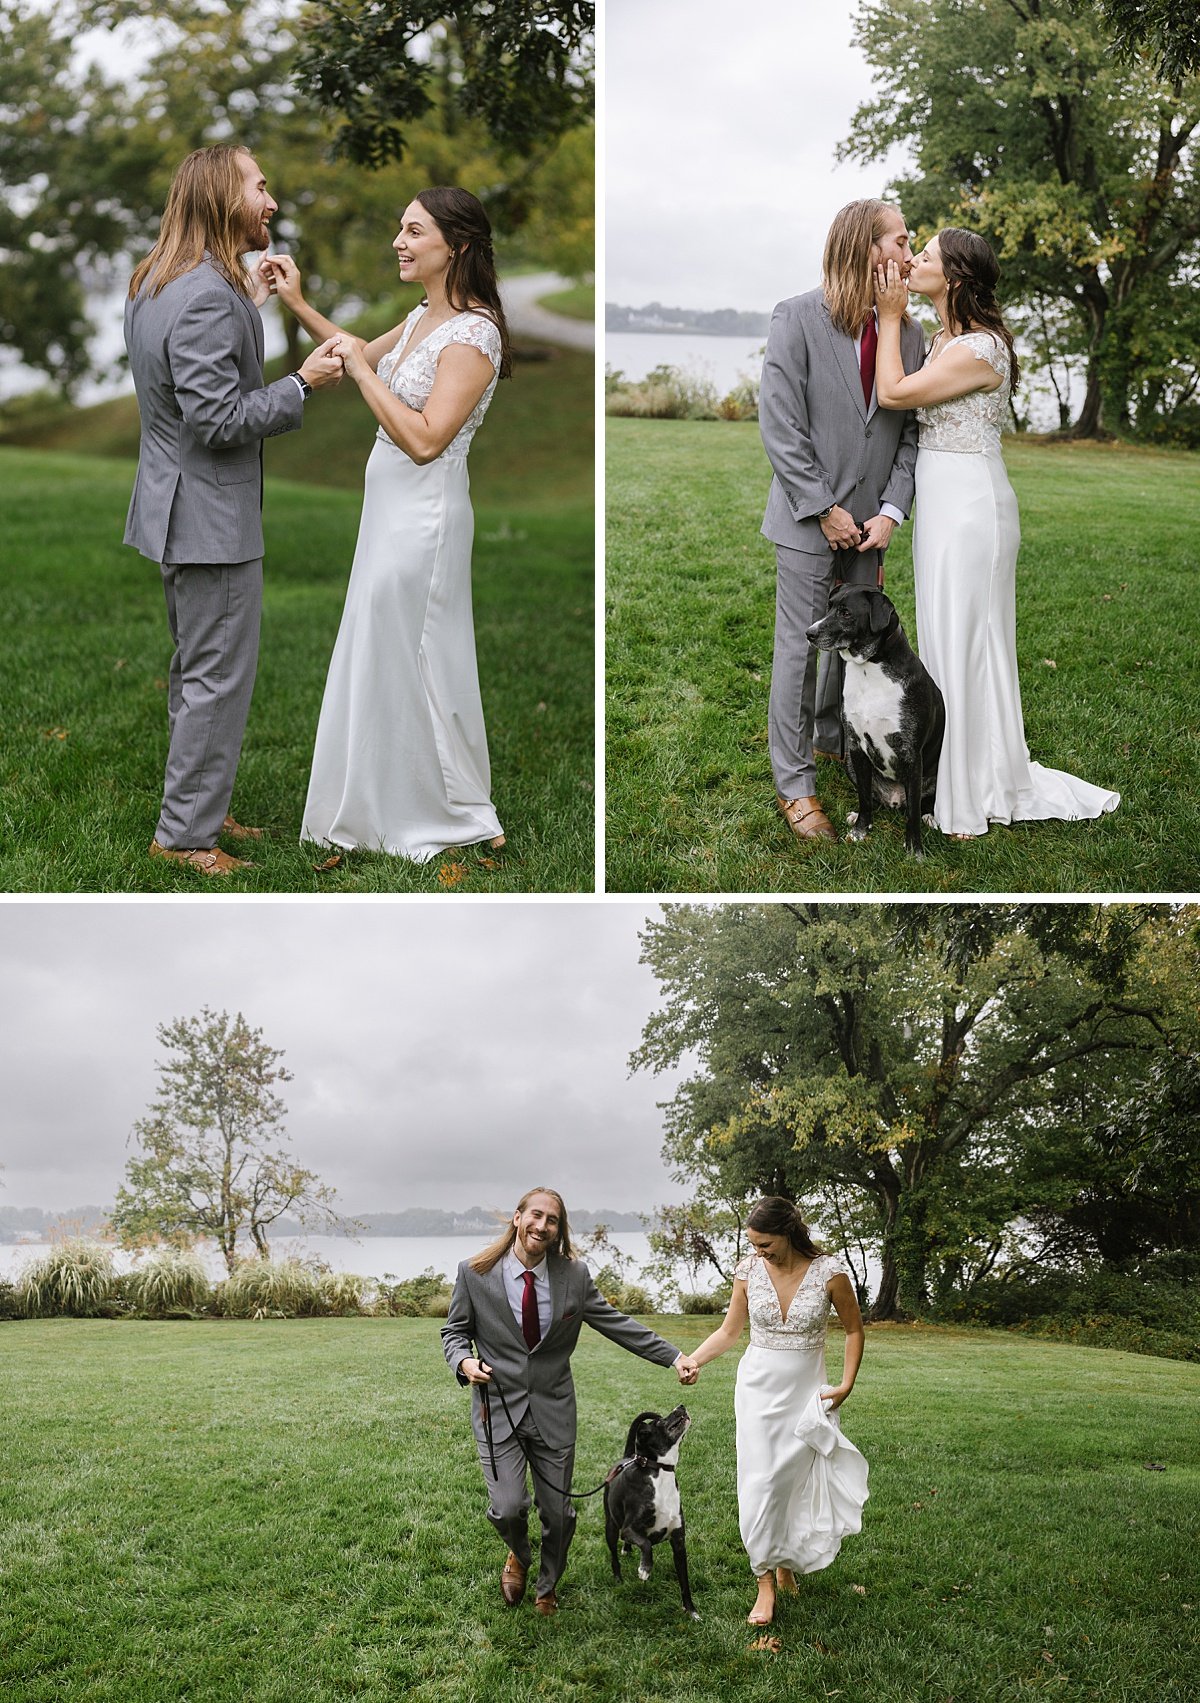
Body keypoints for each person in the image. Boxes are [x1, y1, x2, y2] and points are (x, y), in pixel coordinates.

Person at [265, 188, 510, 861]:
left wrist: (368, 375)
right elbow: (350, 356)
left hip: (424, 519)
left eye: (412, 231)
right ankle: (385, 794)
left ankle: (455, 806)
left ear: (454, 245)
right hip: (386, 516)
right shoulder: (422, 316)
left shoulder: (474, 332)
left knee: (420, 652)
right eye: (398, 229)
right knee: (383, 647)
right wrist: (297, 304)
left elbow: (427, 438)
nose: (398, 243)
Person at [124, 145, 344, 876]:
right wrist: (303, 382)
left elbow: (192, 371)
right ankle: (186, 838)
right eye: (259, 187)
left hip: (173, 507)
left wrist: (251, 299)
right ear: (223, 199)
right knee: (216, 678)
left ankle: (200, 810)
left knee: (196, 673)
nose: (272, 201)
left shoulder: (156, 282)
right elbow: (216, 420)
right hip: (210, 521)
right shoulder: (205, 297)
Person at [874, 229, 1120, 837]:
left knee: (969, 639)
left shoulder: (979, 349)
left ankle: (972, 787)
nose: (911, 262)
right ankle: (937, 775)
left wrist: (886, 319)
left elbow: (893, 393)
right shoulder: (942, 339)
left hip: (972, 506)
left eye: (924, 257)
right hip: (942, 501)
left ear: (953, 277)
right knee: (942, 634)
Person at [441, 1187, 698, 1616]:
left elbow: (618, 1325)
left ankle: (546, 1585)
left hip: (553, 1411)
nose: (542, 1226)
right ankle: (519, 1556)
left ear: (559, 1231)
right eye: (535, 1216)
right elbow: (453, 1332)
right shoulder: (474, 1273)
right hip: (497, 1410)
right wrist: (464, 1361)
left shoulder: (573, 1277)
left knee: (558, 1515)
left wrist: (674, 1356)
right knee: (507, 1509)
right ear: (518, 1217)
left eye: (553, 1220)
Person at [759, 198, 926, 845]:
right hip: (807, 520)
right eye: (902, 241)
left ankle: (831, 740)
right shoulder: (795, 317)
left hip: (871, 525)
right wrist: (822, 507)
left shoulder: (908, 335)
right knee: (801, 648)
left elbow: (910, 433)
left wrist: (891, 510)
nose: (910, 255)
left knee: (855, 644)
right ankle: (795, 785)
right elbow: (780, 424)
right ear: (867, 248)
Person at [684, 1198, 867, 1628]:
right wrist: (694, 1359)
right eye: (753, 1244)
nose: (759, 1251)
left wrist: (846, 1383)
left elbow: (855, 1329)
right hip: (757, 1391)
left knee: (792, 1480)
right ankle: (764, 1579)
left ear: (789, 1232)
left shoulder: (830, 1273)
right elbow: (731, 1330)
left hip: (806, 1392)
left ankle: (785, 1564)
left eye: (765, 1243)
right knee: (760, 1481)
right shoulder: (748, 1271)